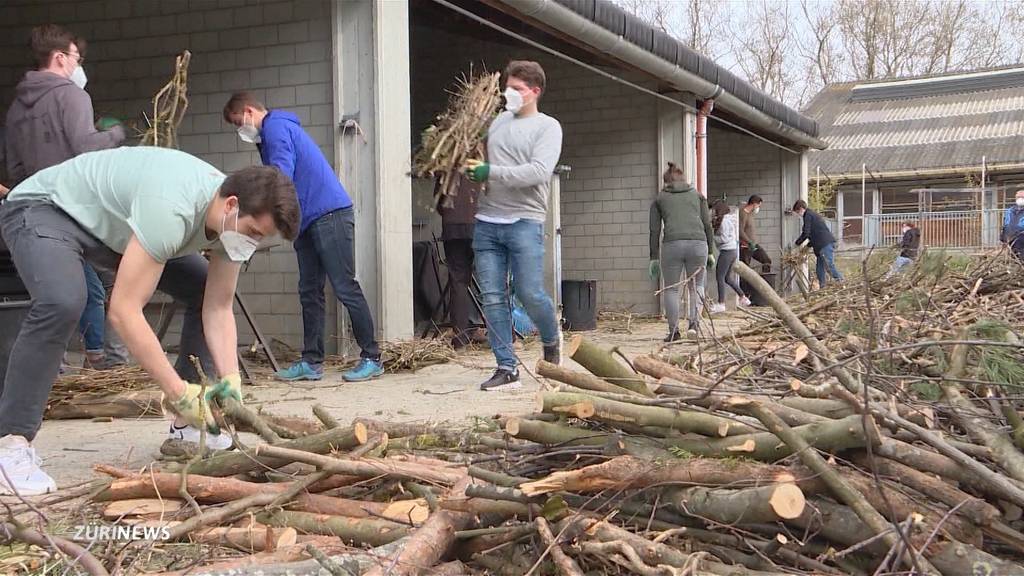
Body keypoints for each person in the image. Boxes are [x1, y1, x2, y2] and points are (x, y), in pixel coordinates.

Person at [0, 146, 300, 494]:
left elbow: (217, 307)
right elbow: (124, 311)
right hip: (44, 208)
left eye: (260, 238)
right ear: (232, 204)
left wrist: (230, 379)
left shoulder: (231, 224)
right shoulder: (171, 209)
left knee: (202, 288)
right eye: (253, 233)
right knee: (63, 301)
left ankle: (187, 426)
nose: (252, 243)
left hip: (110, 226)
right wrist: (176, 391)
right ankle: (11, 445)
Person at [223, 93, 383, 383]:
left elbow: (280, 177)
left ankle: (371, 357)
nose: (240, 130)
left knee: (345, 286)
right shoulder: (270, 134)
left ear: (248, 111)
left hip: (329, 213)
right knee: (309, 290)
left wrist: (257, 217)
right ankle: (311, 362)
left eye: (238, 123)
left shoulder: (275, 129)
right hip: (308, 219)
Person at [5, 24, 128, 370]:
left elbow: (14, 169)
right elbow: (85, 147)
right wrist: (114, 134)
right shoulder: (71, 95)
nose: (79, 65)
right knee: (107, 286)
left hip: (33, 215)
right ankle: (110, 362)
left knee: (52, 297)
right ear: (59, 58)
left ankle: (52, 370)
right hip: (74, 211)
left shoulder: (16, 109)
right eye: (76, 58)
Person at [462, 60, 563, 392]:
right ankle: (507, 368)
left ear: (535, 91)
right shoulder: (497, 122)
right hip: (488, 222)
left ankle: (551, 339)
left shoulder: (548, 127)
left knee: (529, 293)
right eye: (507, 88)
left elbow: (537, 172)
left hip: (525, 221)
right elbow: (481, 157)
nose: (510, 93)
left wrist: (489, 172)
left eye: (517, 89)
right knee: (492, 297)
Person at [649, 162, 716, 341]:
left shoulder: (659, 198)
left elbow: (654, 230)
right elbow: (707, 224)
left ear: (666, 182)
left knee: (671, 289)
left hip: (672, 245)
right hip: (698, 243)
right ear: (684, 179)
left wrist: (653, 257)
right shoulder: (697, 195)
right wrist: (711, 251)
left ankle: (673, 332)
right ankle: (694, 325)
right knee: (697, 286)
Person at [438, 177, 486, 350]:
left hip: (453, 227)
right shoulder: (483, 162)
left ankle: (460, 340)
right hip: (481, 226)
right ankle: (507, 338)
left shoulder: (448, 164)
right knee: (492, 280)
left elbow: (439, 200)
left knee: (458, 282)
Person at [710, 200, 751, 313]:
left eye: (714, 210)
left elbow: (724, 239)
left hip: (726, 251)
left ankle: (721, 303)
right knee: (727, 278)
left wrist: (712, 238)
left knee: (720, 277)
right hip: (732, 250)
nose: (713, 212)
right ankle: (743, 297)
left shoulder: (724, 222)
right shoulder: (729, 219)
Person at [793, 199, 843, 288]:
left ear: (801, 208)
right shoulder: (811, 214)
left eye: (797, 212)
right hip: (820, 246)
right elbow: (813, 234)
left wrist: (797, 243)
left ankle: (841, 281)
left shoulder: (808, 215)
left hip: (824, 244)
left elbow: (806, 233)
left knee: (829, 266)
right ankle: (822, 286)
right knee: (819, 269)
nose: (798, 215)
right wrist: (808, 246)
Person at [739, 195, 772, 273]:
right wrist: (748, 241)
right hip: (746, 246)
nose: (758, 208)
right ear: (754, 204)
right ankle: (744, 285)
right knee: (745, 269)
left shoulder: (751, 213)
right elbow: (740, 231)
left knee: (767, 261)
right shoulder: (743, 214)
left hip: (754, 245)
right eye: (758, 205)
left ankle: (764, 281)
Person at [1002, 189, 1024, 261]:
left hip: (1022, 241)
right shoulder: (1010, 211)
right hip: (1011, 241)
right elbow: (1005, 224)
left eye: (1022, 197)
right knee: (1014, 261)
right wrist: (1003, 238)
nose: (1020, 199)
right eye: (1018, 197)